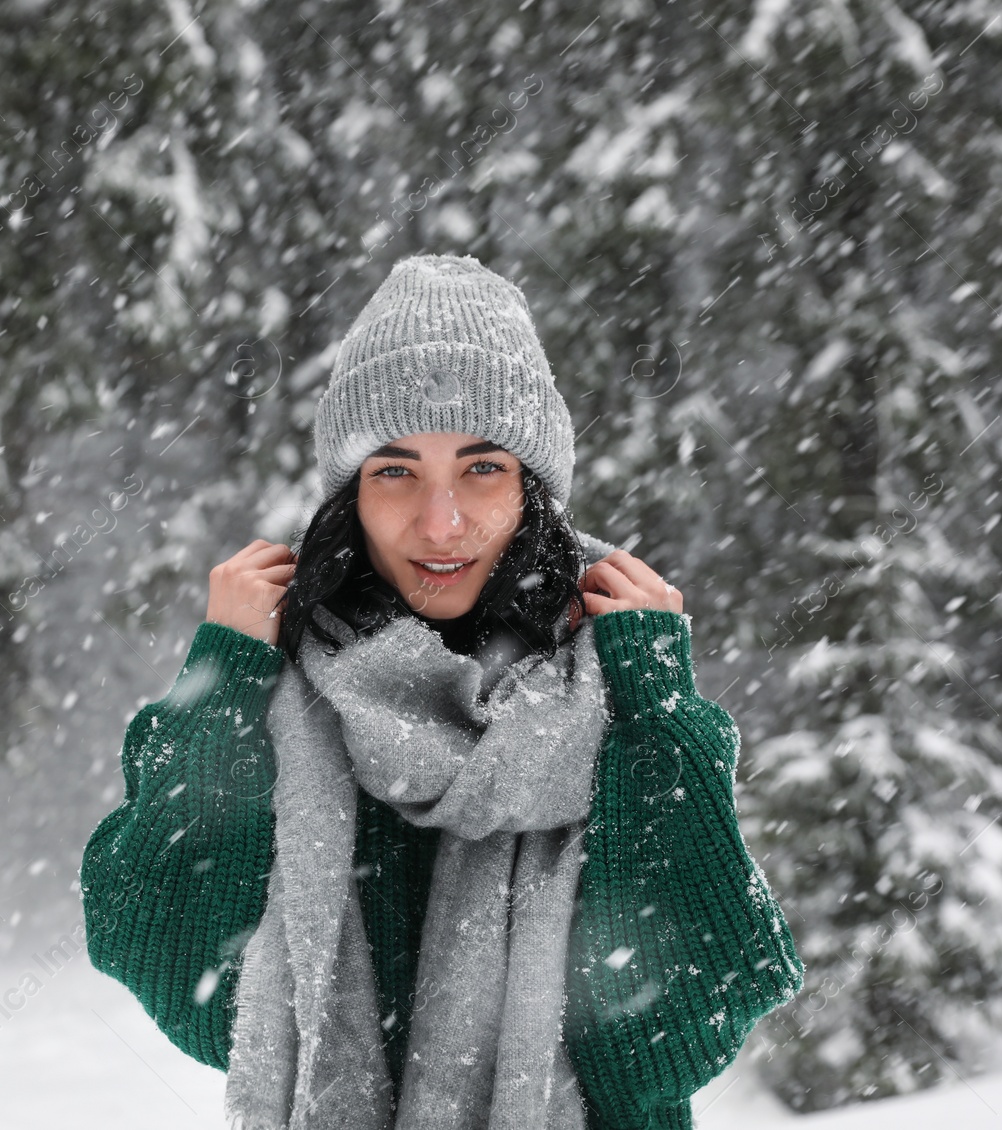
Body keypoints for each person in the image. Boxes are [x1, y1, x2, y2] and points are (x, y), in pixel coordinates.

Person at [80, 254, 803, 1130]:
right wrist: (221, 681)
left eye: (482, 468)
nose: (440, 521)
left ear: (534, 491)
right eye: (395, 471)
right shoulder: (282, 695)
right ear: (348, 495)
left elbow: (668, 1036)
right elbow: (178, 968)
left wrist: (659, 711)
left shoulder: (610, 695)